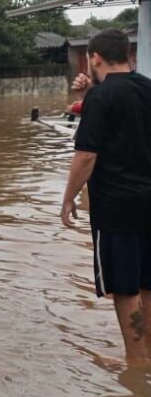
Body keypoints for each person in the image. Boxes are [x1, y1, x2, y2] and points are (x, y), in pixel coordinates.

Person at [62, 29, 151, 365]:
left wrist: (68, 198)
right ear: (128, 55)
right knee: (147, 284)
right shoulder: (147, 87)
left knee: (124, 289)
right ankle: (148, 355)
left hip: (117, 207)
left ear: (93, 58)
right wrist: (92, 92)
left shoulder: (101, 98)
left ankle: (136, 364)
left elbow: (86, 156)